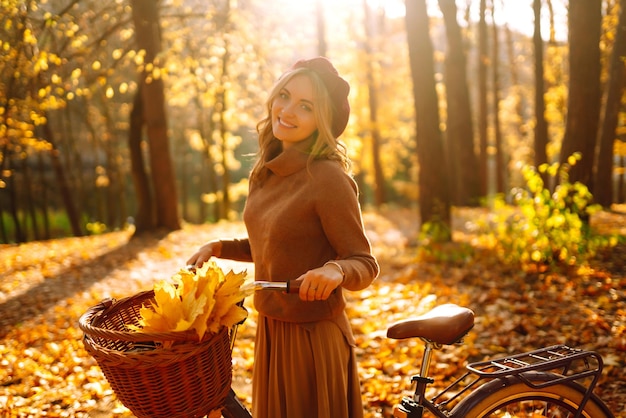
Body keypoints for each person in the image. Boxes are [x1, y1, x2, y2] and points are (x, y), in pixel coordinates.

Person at [186, 56, 379, 418]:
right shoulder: (264, 173)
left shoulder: (328, 178)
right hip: (272, 331)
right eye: (285, 96)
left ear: (321, 120)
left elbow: (364, 262)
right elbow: (270, 244)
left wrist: (335, 270)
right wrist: (216, 248)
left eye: (305, 106)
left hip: (313, 337)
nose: (287, 110)